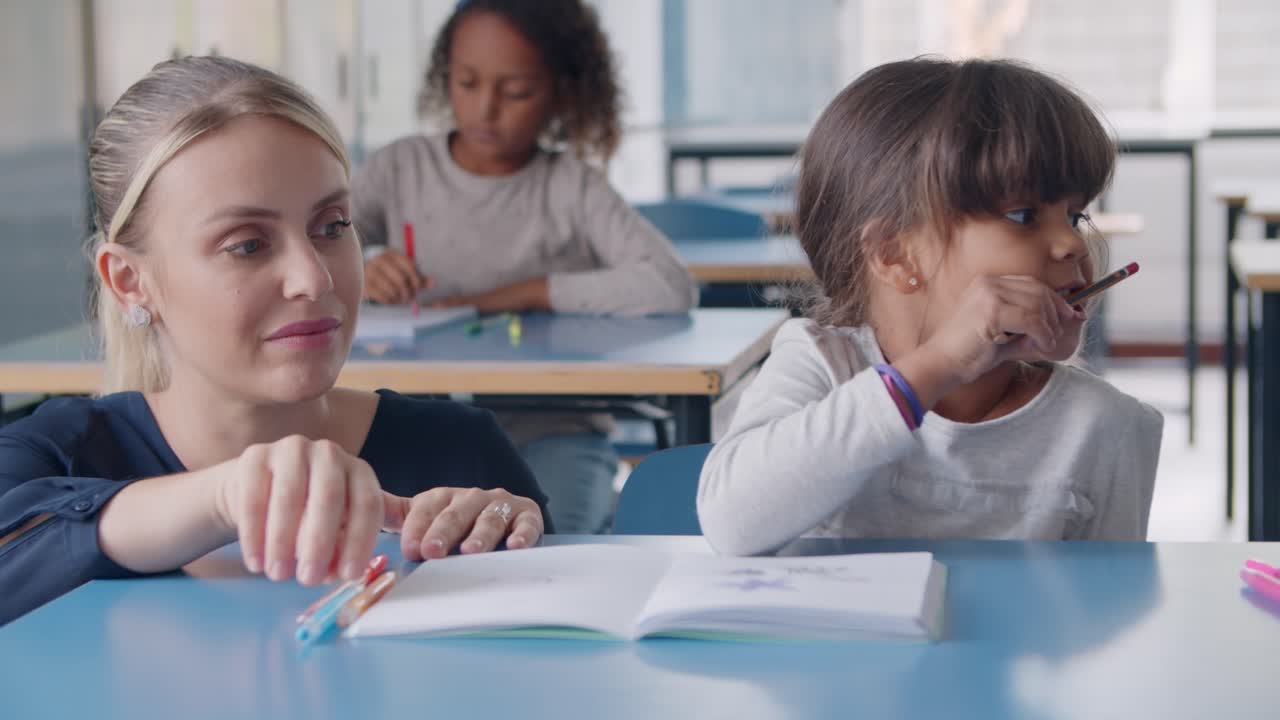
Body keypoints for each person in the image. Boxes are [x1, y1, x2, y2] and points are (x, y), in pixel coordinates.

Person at [0, 56, 550, 626]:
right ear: (130, 281)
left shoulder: (462, 452)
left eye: (332, 227)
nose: (314, 278)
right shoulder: (50, 454)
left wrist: (518, 548)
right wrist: (226, 497)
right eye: (247, 245)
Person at [697, 58, 1163, 556]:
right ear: (894, 254)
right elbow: (731, 523)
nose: (1071, 243)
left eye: (1075, 215)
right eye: (1024, 215)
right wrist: (938, 366)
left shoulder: (1104, 424)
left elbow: (1109, 607)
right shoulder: (820, 364)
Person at [353, 0, 697, 534]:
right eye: (466, 82)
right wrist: (366, 261)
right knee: (415, 556)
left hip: (554, 431)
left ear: (564, 93)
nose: (485, 109)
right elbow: (310, 246)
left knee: (547, 553)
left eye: (515, 92)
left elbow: (670, 283)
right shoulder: (400, 168)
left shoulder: (570, 186)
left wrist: (528, 292)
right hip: (423, 432)